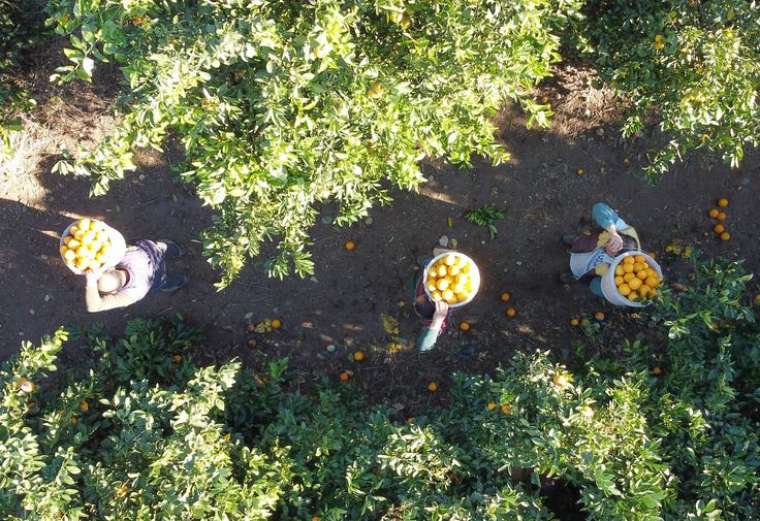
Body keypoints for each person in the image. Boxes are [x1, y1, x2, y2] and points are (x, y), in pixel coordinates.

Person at [84, 239, 188, 312]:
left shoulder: (131, 295)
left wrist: (91, 284)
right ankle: (171, 249)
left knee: (160, 282)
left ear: (115, 292)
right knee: (158, 247)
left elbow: (94, 306)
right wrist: (92, 279)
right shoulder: (120, 256)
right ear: (112, 268)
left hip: (156, 277)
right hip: (152, 252)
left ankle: (171, 282)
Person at [565, 202, 640, 298]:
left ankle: (574, 275)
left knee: (583, 275)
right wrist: (612, 232)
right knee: (581, 243)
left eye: (614, 253)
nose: (610, 249)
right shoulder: (625, 230)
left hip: (591, 269)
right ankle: (575, 242)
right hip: (591, 242)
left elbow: (595, 286)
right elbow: (599, 208)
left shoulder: (623, 275)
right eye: (614, 244)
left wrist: (609, 287)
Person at [413, 248, 453, 352]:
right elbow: (423, 348)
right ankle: (422, 264)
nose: (425, 294)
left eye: (427, 297)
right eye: (426, 296)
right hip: (421, 279)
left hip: (423, 278)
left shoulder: (434, 322)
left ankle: (422, 262)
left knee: (426, 265)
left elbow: (422, 348)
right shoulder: (430, 286)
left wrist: (437, 322)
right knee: (416, 280)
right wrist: (437, 322)